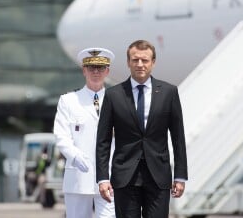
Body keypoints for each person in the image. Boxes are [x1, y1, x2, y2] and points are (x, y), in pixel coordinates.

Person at [96, 39, 188, 218]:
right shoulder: (113, 95)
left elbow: (178, 137)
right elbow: (103, 141)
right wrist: (102, 178)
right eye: (135, 60)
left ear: (153, 62)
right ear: (128, 62)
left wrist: (180, 176)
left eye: (145, 60)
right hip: (124, 176)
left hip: (158, 176)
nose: (140, 64)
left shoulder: (169, 93)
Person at [54, 47, 116, 218]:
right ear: (84, 70)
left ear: (107, 71)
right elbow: (61, 135)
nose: (96, 72)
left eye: (101, 68)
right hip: (78, 177)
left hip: (110, 176)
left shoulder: (119, 100)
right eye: (91, 68)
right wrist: (74, 155)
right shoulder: (68, 101)